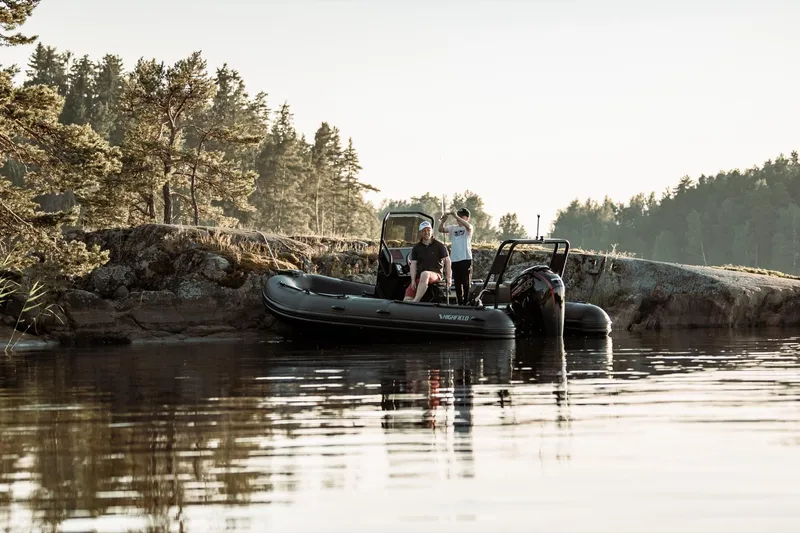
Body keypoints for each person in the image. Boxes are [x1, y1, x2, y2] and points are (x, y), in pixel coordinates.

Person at [404, 220, 452, 302]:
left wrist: (449, 278)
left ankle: (415, 301)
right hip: (420, 277)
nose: (427, 232)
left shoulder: (439, 245)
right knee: (406, 299)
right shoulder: (416, 248)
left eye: (428, 230)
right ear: (420, 233)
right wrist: (412, 280)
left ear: (432, 231)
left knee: (425, 274)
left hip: (436, 275)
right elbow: (413, 264)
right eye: (424, 230)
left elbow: (447, 261)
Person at [438, 207, 473, 305]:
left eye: (461, 216)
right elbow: (440, 229)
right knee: (457, 283)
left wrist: (455, 215)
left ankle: (466, 301)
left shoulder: (468, 228)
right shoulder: (453, 228)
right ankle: (459, 302)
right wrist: (443, 221)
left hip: (465, 259)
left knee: (466, 283)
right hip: (455, 259)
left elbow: (469, 227)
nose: (458, 219)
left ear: (467, 218)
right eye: (458, 216)